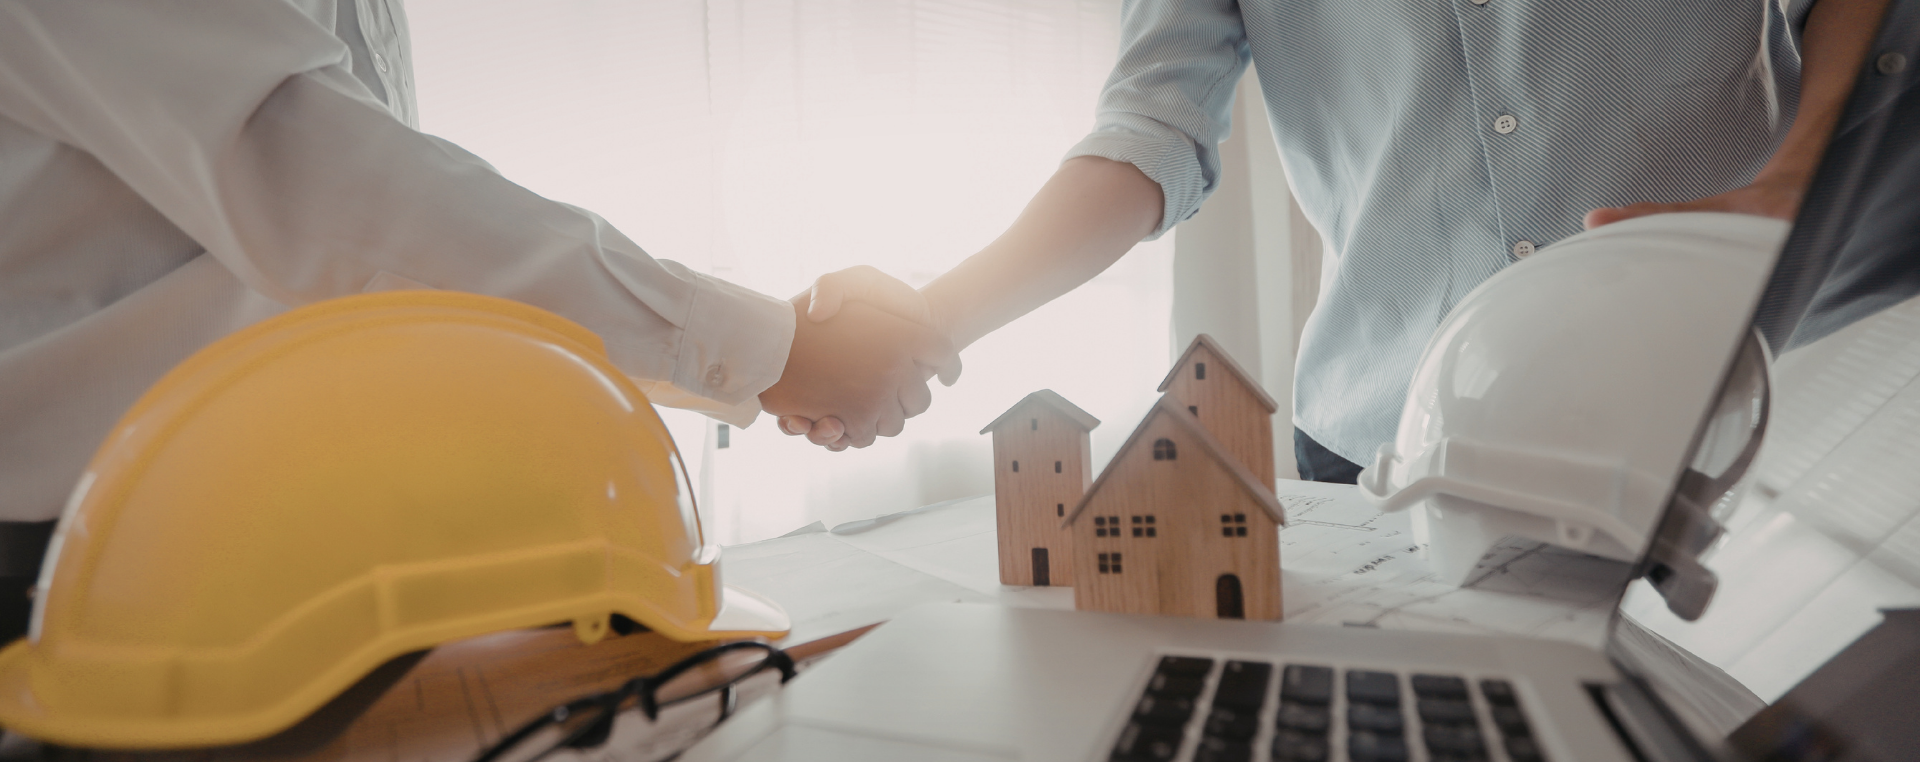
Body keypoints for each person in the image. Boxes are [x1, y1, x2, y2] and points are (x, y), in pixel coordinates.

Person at [0, 0, 955, 640]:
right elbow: (335, 191)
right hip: (74, 572)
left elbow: (375, 246)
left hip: (244, 546)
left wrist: (769, 351)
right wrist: (773, 349)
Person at [780, 0, 1893, 484]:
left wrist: (1792, 184)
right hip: (1382, 440)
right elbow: (1151, 131)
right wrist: (930, 319)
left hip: (1714, 405)